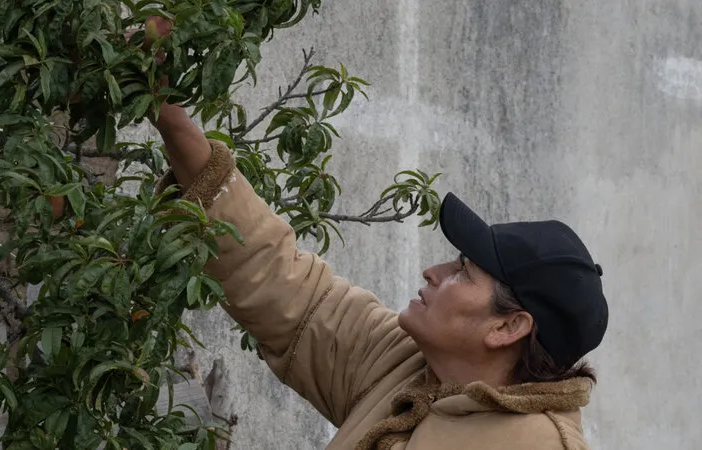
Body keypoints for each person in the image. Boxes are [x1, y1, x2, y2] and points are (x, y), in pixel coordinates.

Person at [150, 93, 608, 449]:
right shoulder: (406, 364)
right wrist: (169, 114)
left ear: (508, 326)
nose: (432, 272)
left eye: (463, 272)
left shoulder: (537, 443)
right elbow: (278, 279)